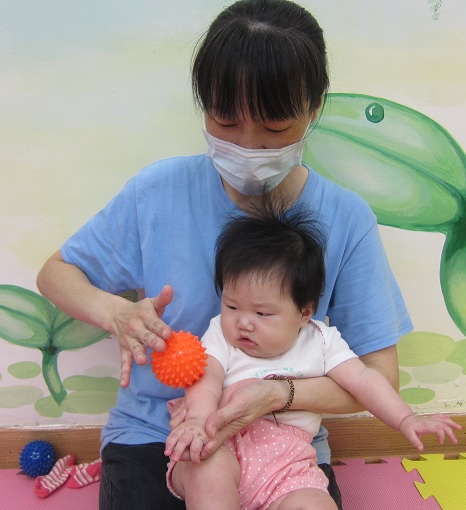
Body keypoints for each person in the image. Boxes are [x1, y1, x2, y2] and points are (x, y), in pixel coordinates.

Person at [36, 0, 413, 508]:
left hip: (285, 445)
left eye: (274, 128)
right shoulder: (158, 191)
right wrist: (117, 314)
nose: (249, 146)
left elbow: (380, 378)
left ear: (314, 108)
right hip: (156, 432)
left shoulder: (346, 218)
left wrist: (278, 393)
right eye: (226, 121)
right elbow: (56, 274)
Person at [164, 206, 461, 510]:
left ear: (304, 313)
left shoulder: (321, 341)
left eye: (262, 313)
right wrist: (198, 420)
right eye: (232, 306)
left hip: (288, 465)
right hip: (222, 444)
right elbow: (207, 376)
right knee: (208, 473)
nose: (243, 323)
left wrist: (405, 418)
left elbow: (363, 379)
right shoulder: (220, 334)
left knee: (316, 505)